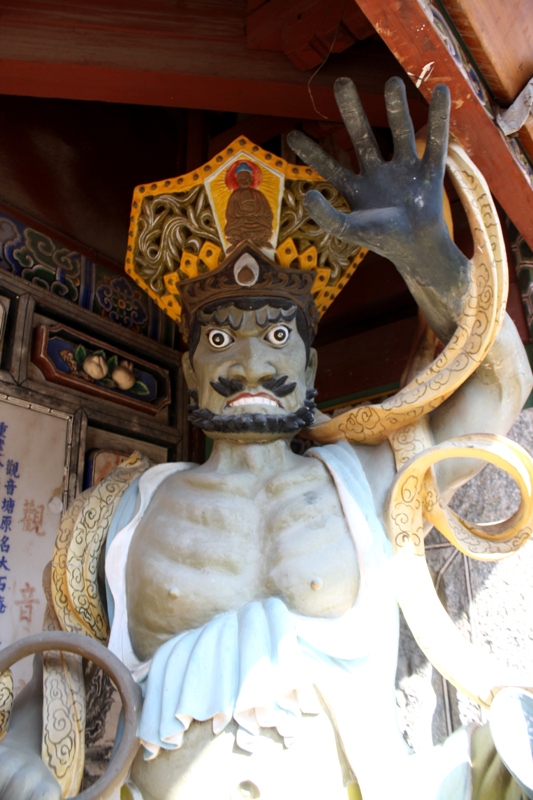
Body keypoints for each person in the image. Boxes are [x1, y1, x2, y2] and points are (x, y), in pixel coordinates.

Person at [0, 77, 531, 800]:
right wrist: (23, 752)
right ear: (189, 366)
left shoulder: (364, 482)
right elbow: (60, 671)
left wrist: (429, 262)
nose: (248, 363)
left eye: (277, 334)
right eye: (219, 337)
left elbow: (499, 389)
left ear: (309, 362)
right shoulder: (120, 512)